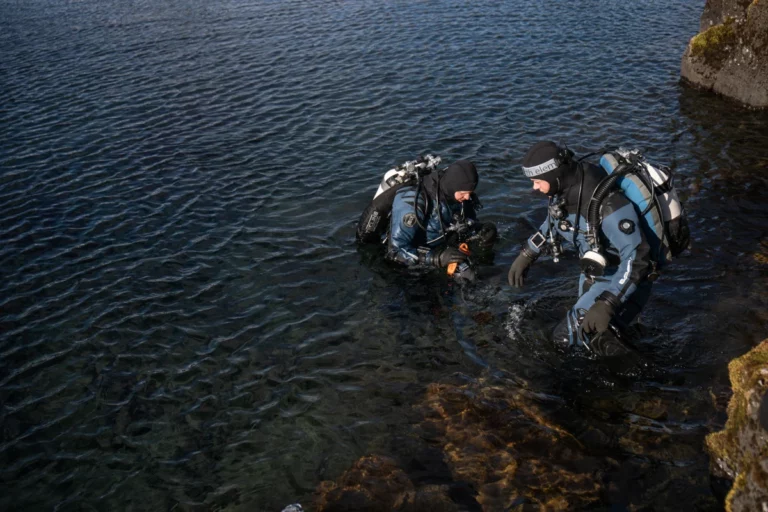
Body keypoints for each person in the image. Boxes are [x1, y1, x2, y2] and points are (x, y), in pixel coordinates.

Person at [508, 141, 653, 353]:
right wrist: (529, 252)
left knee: (564, 339)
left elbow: (638, 257)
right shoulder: (567, 192)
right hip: (595, 275)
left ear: (554, 176)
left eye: (538, 181)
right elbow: (555, 222)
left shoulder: (609, 207)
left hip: (620, 281)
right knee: (593, 341)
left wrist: (608, 302)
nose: (534, 188)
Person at [386, 160, 497, 275]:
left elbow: (467, 223)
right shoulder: (412, 204)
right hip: (413, 263)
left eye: (470, 192)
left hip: (446, 247)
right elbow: (395, 251)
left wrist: (481, 230)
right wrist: (436, 258)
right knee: (467, 278)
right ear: (452, 186)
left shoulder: (462, 197)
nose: (468, 197)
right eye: (463, 193)